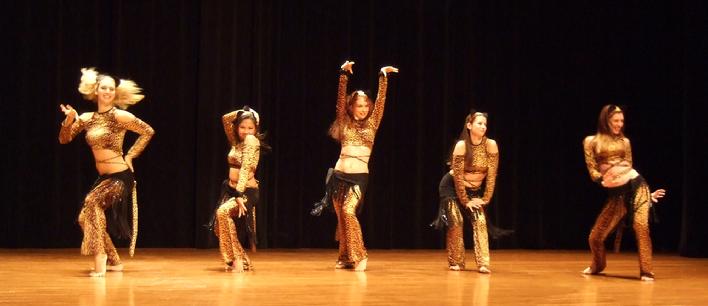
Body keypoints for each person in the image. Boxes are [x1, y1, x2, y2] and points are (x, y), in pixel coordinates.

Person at [59, 68, 154, 277]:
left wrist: (130, 155)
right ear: (96, 90)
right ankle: (114, 261)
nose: (108, 91)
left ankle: (100, 258)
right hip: (105, 178)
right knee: (85, 218)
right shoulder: (86, 118)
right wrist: (69, 119)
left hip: (120, 177)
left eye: (111, 88)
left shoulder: (119, 115)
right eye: (104, 87)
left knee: (92, 203)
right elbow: (64, 139)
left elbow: (147, 131)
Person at [312, 60, 398, 271]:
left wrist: (382, 77)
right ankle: (345, 257)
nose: (363, 109)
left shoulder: (373, 122)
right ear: (351, 107)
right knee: (341, 218)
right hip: (339, 175)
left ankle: (360, 255)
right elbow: (340, 100)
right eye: (359, 105)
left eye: (366, 105)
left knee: (349, 212)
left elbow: (381, 102)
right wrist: (343, 74)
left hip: (358, 177)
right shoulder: (344, 120)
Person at [582, 104, 666, 281]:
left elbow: (629, 166)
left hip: (637, 187)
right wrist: (602, 180)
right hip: (617, 194)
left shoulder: (625, 142)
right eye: (616, 120)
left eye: (622, 121)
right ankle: (598, 264)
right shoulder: (591, 141)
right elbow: (593, 169)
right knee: (595, 237)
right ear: (606, 121)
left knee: (641, 226)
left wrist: (647, 195)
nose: (620, 124)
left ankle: (646, 271)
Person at [431, 111, 498, 273]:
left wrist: (485, 199)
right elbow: (458, 178)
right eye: (479, 123)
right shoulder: (461, 146)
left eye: (485, 124)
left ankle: (483, 263)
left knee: (480, 220)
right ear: (469, 126)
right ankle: (456, 261)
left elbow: (491, 175)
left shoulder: (491, 144)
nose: (483, 126)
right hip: (452, 188)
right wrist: (466, 201)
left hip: (474, 191)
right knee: (456, 220)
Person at [211, 106, 265, 272]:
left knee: (223, 212)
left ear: (256, 129)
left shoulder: (251, 141)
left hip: (246, 190)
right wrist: (242, 112)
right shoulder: (236, 142)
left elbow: (246, 168)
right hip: (232, 190)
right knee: (218, 226)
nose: (246, 131)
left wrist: (239, 194)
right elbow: (226, 119)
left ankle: (237, 259)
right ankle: (239, 259)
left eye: (250, 127)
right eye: (242, 127)